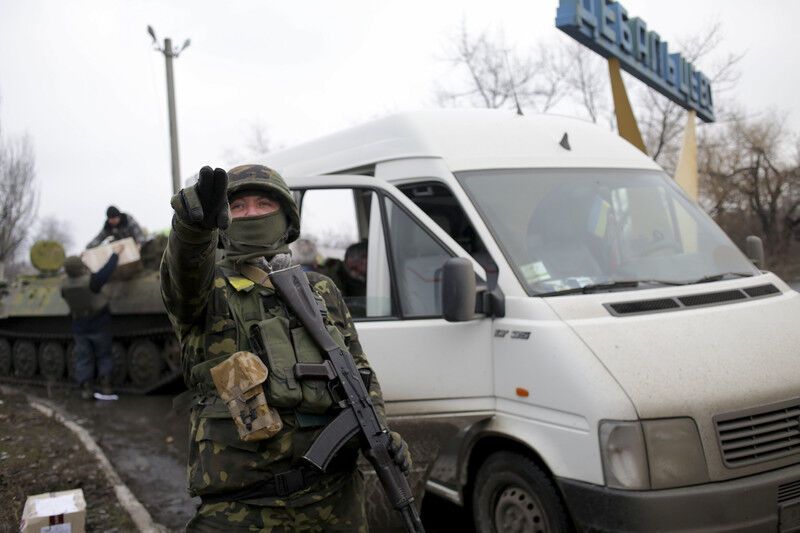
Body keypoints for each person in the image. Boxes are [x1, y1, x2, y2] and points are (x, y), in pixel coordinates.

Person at [161, 165, 411, 532]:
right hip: (241, 509)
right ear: (224, 218)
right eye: (239, 206)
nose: (252, 214)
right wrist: (192, 229)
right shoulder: (209, 290)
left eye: (264, 203)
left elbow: (359, 372)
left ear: (287, 218)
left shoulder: (320, 290)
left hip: (334, 499)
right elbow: (183, 275)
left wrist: (381, 433)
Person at [61, 244, 123, 400]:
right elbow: (106, 272)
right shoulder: (92, 281)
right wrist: (115, 254)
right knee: (104, 355)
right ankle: (106, 385)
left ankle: (86, 388)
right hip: (98, 323)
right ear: (80, 267)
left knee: (83, 358)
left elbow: (75, 278)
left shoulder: (64, 286)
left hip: (79, 325)